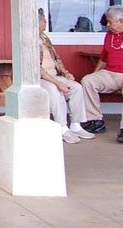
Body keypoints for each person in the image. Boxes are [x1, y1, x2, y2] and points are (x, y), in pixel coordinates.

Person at [80, 5, 123, 144]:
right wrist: (94, 74)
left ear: (122, 21)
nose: (108, 25)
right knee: (88, 80)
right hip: (111, 73)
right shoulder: (110, 35)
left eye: (110, 22)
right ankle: (95, 121)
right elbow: (103, 58)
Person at [38, 9, 94, 143]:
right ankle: (62, 128)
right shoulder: (30, 40)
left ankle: (76, 125)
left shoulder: (44, 38)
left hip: (54, 76)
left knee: (76, 88)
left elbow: (56, 59)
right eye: (44, 20)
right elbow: (37, 69)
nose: (46, 22)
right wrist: (58, 83)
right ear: (37, 22)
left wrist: (65, 73)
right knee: (55, 90)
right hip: (40, 79)